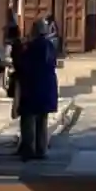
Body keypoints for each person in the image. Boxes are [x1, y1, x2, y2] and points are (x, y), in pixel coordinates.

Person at [14, 18, 59, 160]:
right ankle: (41, 149)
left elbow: (23, 65)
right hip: (48, 86)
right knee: (42, 120)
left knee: (29, 118)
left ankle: (29, 149)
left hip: (33, 86)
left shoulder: (31, 47)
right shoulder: (50, 46)